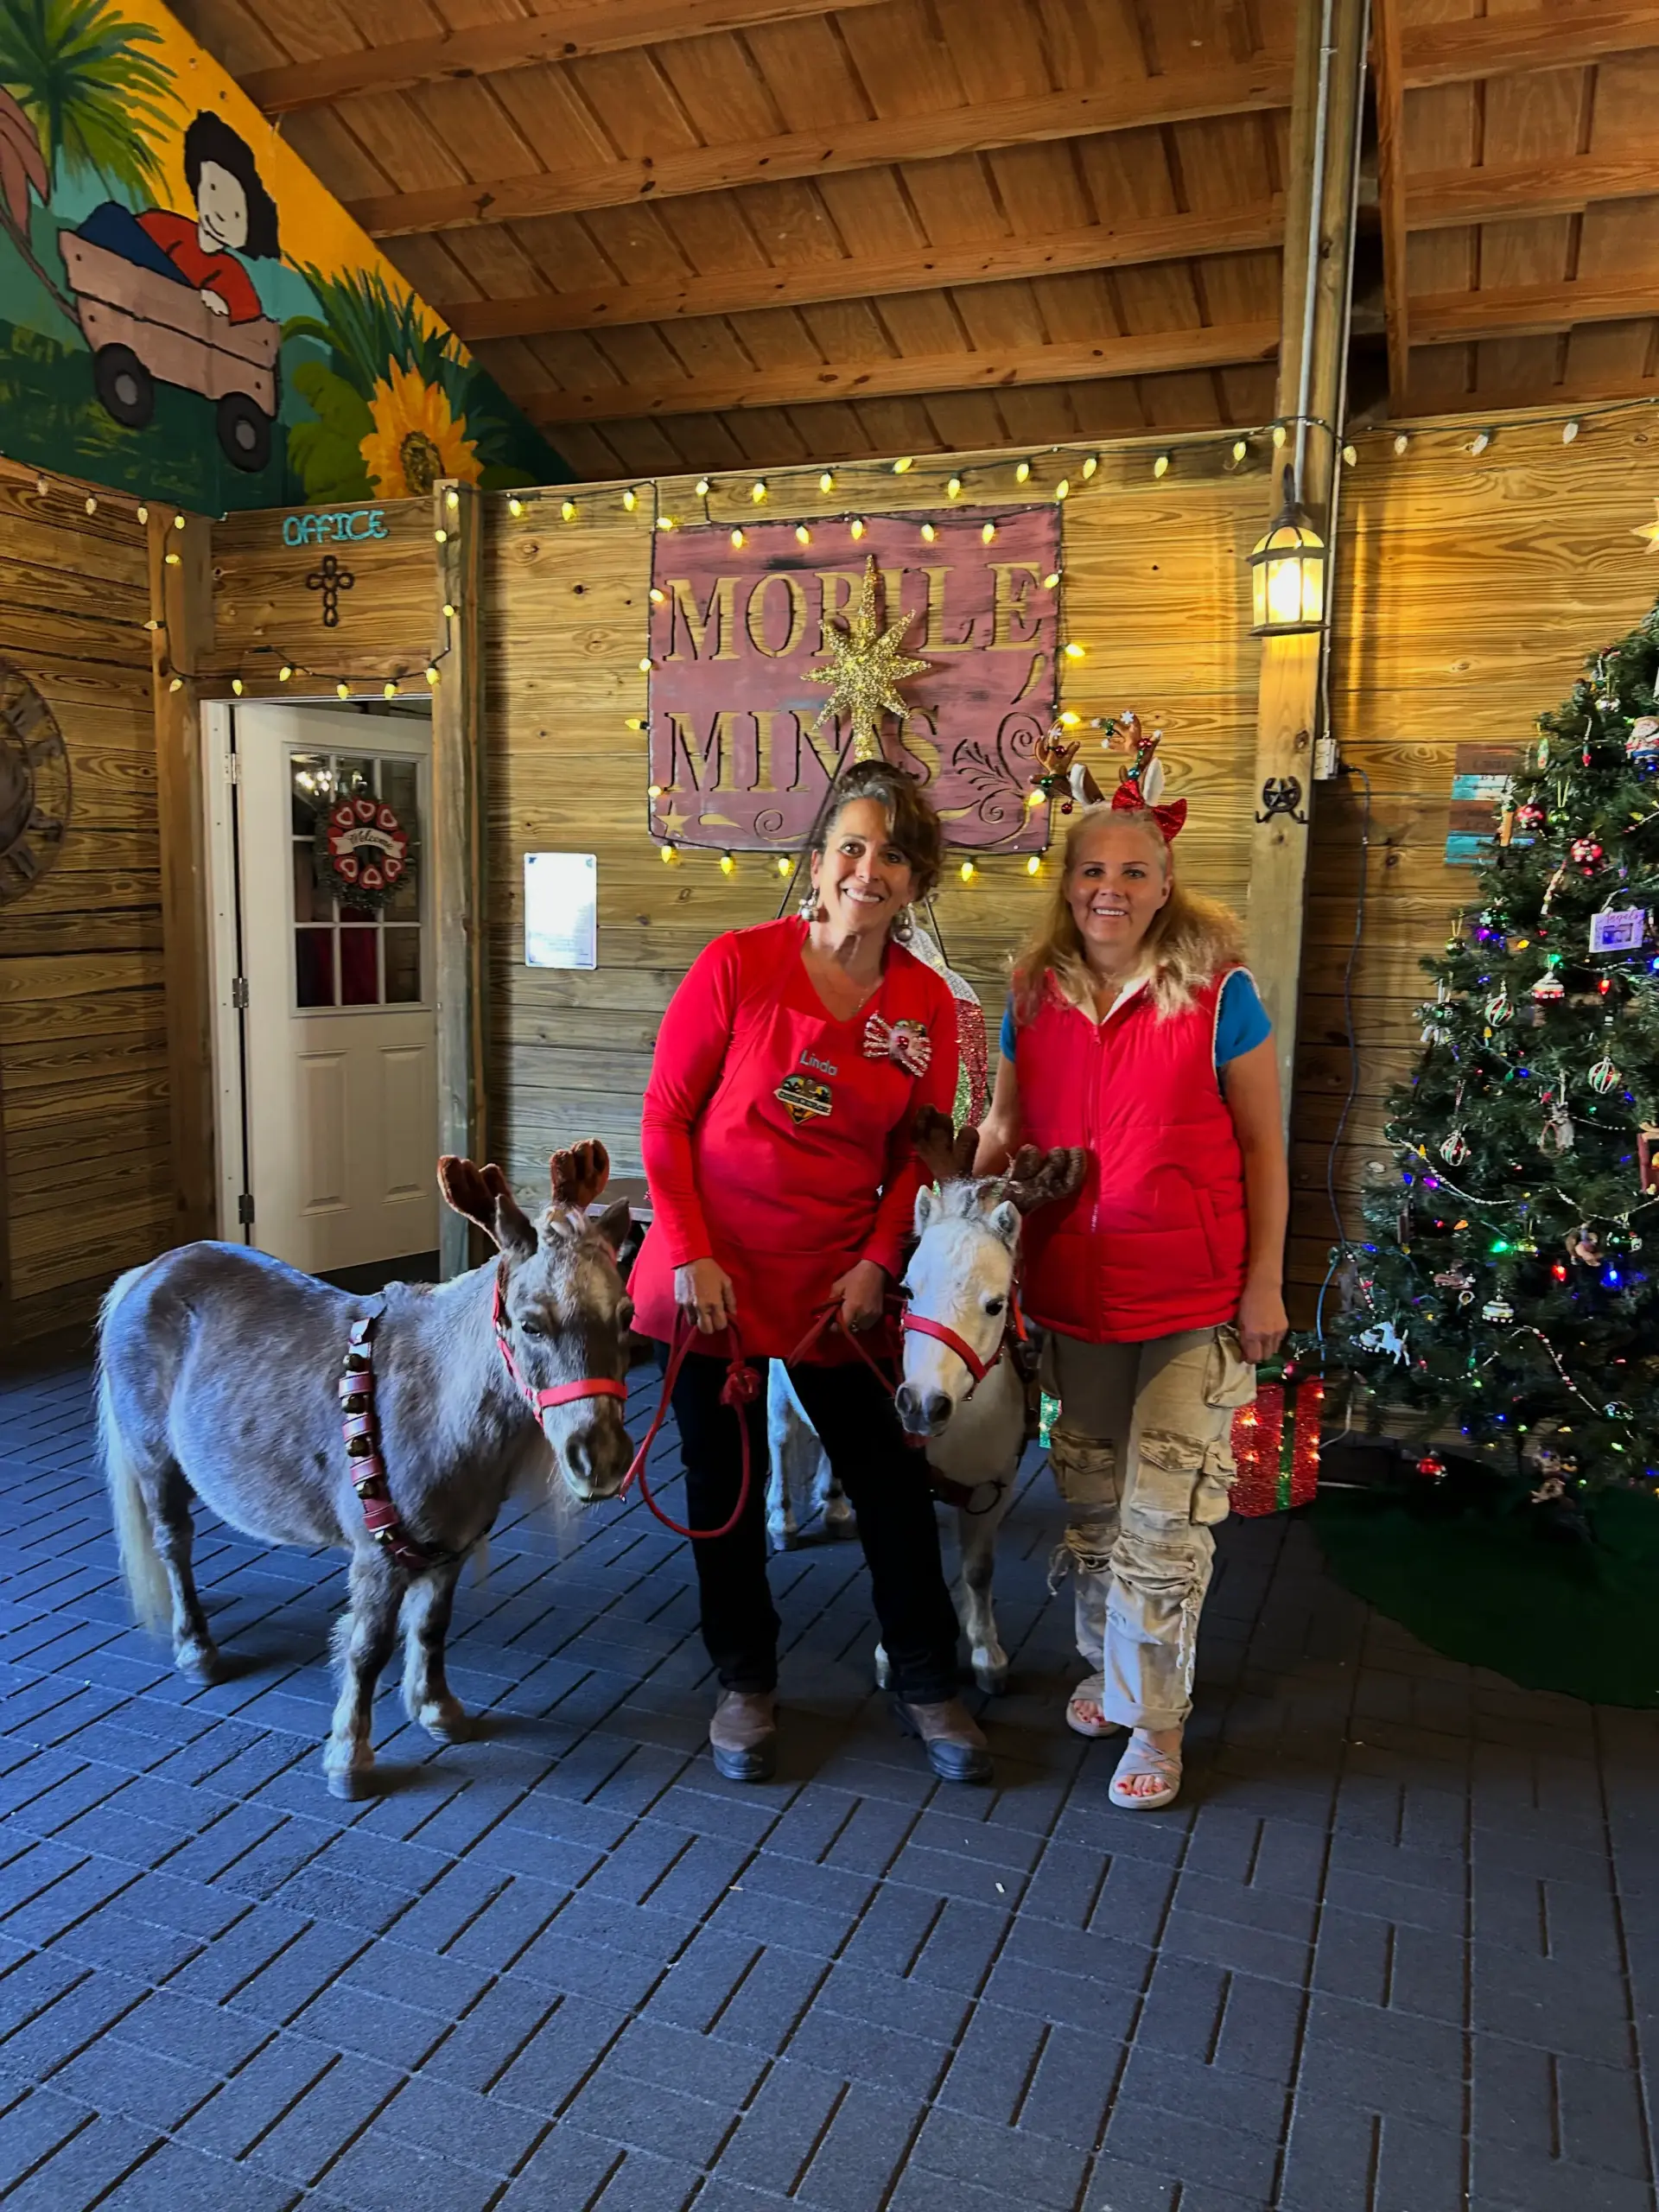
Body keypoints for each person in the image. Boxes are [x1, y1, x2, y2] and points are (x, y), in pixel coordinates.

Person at [632, 761, 991, 1786]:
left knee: (889, 1485)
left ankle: (927, 1679)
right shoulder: (737, 963)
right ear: (820, 858)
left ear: (916, 880)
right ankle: (744, 1680)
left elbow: (916, 1154)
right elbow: (666, 1119)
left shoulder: (926, 1004)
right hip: (716, 1276)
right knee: (726, 1489)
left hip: (839, 1282)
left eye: (893, 856)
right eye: (852, 847)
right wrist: (692, 1249)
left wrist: (880, 1260)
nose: (868, 871)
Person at [975, 785, 1289, 1810]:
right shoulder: (1031, 991)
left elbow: (1263, 1148)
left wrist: (1265, 1283)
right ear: (1068, 884)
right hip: (1073, 1294)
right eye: (1092, 871)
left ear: (1165, 886)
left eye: (1133, 872)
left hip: (1193, 1299)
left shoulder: (1221, 995)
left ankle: (1157, 1719)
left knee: (1164, 1515)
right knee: (1094, 1500)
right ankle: (1112, 1673)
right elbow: (1004, 1126)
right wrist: (954, 1211)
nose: (1109, 889)